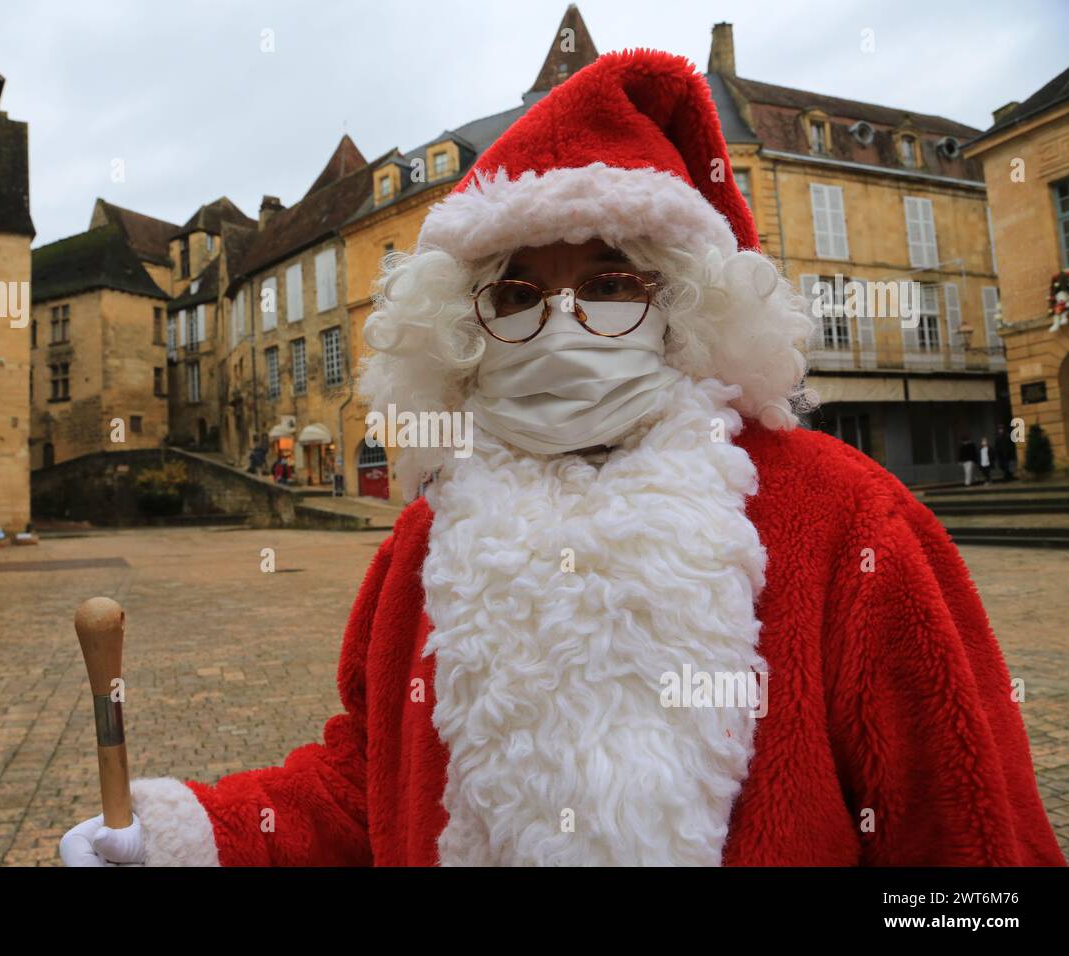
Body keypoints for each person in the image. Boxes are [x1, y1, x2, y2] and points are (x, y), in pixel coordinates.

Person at [61, 49, 1062, 867]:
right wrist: (198, 834)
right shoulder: (424, 540)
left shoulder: (850, 523)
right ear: (466, 324)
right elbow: (368, 786)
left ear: (683, 299)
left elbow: (973, 838)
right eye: (514, 293)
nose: (562, 322)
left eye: (609, 278)